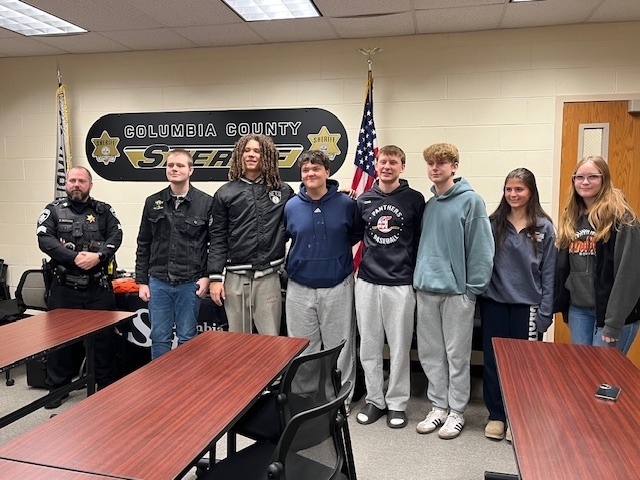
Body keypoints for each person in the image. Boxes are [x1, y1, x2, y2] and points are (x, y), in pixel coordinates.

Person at [413, 143, 494, 440]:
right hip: (426, 290)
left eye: (442, 163)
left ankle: (457, 411)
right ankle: (438, 407)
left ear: (454, 166)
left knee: (457, 355)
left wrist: (472, 291)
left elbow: (482, 250)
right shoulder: (430, 204)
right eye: (431, 164)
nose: (435, 168)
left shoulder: (471, 201)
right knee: (431, 353)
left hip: (457, 293)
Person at [479, 168, 557, 441]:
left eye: (519, 189)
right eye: (508, 189)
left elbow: (549, 273)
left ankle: (519, 418)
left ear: (531, 192)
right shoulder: (493, 223)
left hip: (529, 308)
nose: (513, 194)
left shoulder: (543, 227)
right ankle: (497, 416)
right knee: (494, 362)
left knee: (525, 366)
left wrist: (546, 311)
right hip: (495, 303)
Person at [37, 166, 122, 408]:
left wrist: (99, 256)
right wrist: (72, 257)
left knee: (105, 339)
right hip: (64, 287)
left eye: (81, 181)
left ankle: (105, 385)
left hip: (98, 287)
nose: (76, 184)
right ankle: (58, 387)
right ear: (66, 184)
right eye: (72, 180)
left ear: (90, 185)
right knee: (59, 340)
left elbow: (117, 235)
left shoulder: (104, 211)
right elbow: (44, 238)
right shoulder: (52, 210)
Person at [353, 145, 424, 429]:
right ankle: (374, 400)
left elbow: (420, 241)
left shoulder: (415, 200)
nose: (387, 167)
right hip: (368, 281)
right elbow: (356, 236)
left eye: (393, 162)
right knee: (369, 346)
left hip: (401, 283)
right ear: (376, 164)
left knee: (399, 347)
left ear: (402, 167)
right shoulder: (364, 199)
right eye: (383, 162)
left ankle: (396, 403)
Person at [284, 150, 360, 405]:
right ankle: (306, 401)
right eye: (306, 170)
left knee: (339, 346)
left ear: (327, 172)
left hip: (337, 284)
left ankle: (340, 400)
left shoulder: (347, 204)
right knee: (304, 348)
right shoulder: (291, 206)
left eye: (316, 169)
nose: (310, 174)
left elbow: (354, 235)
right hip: (299, 286)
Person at [208, 134, 294, 336]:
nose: (251, 155)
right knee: (238, 339)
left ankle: (273, 370)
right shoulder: (225, 193)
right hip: (235, 276)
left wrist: (334, 193)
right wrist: (214, 278)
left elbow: (303, 215)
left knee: (270, 338)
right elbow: (217, 237)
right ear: (239, 155)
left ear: (267, 156)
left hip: (268, 275)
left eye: (257, 151)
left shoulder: (283, 190)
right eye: (247, 150)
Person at [554, 155, 640, 353]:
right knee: (583, 374)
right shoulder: (571, 217)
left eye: (593, 176)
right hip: (579, 311)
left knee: (605, 378)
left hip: (613, 316)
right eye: (579, 177)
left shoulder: (623, 219)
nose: (585, 182)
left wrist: (613, 323)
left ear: (604, 180)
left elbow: (629, 277)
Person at [135, 149, 214, 359]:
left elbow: (213, 245)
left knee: (187, 336)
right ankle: (161, 386)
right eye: (170, 165)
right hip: (158, 281)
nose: (174, 169)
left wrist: (208, 276)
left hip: (190, 282)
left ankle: (186, 386)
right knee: (159, 336)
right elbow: (143, 243)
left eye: (180, 165)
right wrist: (142, 281)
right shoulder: (153, 202)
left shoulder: (206, 203)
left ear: (191, 170)